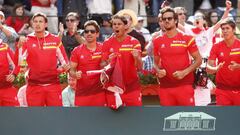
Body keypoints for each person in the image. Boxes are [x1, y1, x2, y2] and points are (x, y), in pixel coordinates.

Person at [13, 12, 69, 106]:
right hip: (34, 87)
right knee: (35, 117)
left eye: (40, 21)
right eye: (35, 21)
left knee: (55, 116)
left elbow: (65, 61)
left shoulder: (55, 40)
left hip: (53, 86)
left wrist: (62, 70)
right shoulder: (27, 40)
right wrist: (19, 47)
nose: (37, 24)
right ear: (32, 23)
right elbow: (19, 63)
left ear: (46, 24)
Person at [153, 7, 202, 106]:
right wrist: (158, 71)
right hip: (165, 87)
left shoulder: (187, 38)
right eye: (164, 19)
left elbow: (198, 60)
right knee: (168, 119)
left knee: (187, 117)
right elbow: (155, 63)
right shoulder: (157, 40)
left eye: (169, 18)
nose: (166, 21)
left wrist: (184, 72)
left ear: (175, 20)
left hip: (185, 85)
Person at [101, 14, 143, 108]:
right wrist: (108, 61)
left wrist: (137, 58)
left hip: (132, 87)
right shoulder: (107, 43)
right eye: (114, 24)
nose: (116, 26)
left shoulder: (134, 42)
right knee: (113, 119)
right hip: (113, 88)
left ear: (125, 26)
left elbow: (139, 67)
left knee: (135, 116)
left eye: (119, 24)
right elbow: (101, 64)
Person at [70, 20, 106, 106]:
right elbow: (71, 70)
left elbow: (108, 67)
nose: (89, 33)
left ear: (97, 34)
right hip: (82, 93)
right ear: (84, 34)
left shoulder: (103, 48)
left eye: (92, 31)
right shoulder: (77, 50)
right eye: (86, 31)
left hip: (99, 92)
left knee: (100, 119)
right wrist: (75, 74)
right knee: (81, 119)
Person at [207, 19, 240, 105]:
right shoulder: (216, 46)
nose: (224, 31)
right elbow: (208, 69)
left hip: (239, 89)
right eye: (223, 29)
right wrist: (216, 68)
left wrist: (238, 66)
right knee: (223, 117)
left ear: (233, 30)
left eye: (227, 28)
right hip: (222, 90)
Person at [0, 40, 19, 106]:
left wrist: (13, 74)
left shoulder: (4, 47)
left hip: (7, 88)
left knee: (15, 114)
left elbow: (16, 64)